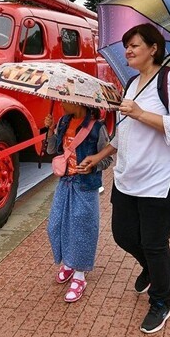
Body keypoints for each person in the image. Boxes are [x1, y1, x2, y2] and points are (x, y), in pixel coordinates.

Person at [81, 23, 170, 334]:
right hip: (129, 175)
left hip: (164, 178)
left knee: (154, 242)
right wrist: (100, 156)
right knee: (123, 235)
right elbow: (124, 132)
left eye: (135, 45)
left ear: (153, 49)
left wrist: (141, 112)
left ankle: (161, 301)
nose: (128, 50)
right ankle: (151, 269)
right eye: (126, 45)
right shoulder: (131, 83)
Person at [43, 103, 113, 302]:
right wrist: (50, 131)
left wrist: (93, 166)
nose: (62, 103)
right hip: (65, 182)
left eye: (66, 99)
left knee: (82, 228)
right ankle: (68, 263)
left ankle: (80, 275)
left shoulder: (97, 128)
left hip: (85, 185)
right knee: (55, 224)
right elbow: (51, 149)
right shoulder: (63, 122)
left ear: (79, 101)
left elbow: (107, 160)